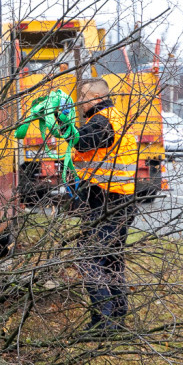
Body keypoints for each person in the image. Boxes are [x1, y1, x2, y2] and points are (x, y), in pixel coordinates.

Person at [71, 77, 139, 335]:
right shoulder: (114, 117)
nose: (80, 102)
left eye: (84, 97)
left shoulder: (103, 121)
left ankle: (104, 322)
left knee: (89, 258)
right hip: (119, 203)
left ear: (97, 98)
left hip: (107, 203)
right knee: (111, 261)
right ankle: (118, 317)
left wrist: (64, 127)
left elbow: (82, 142)